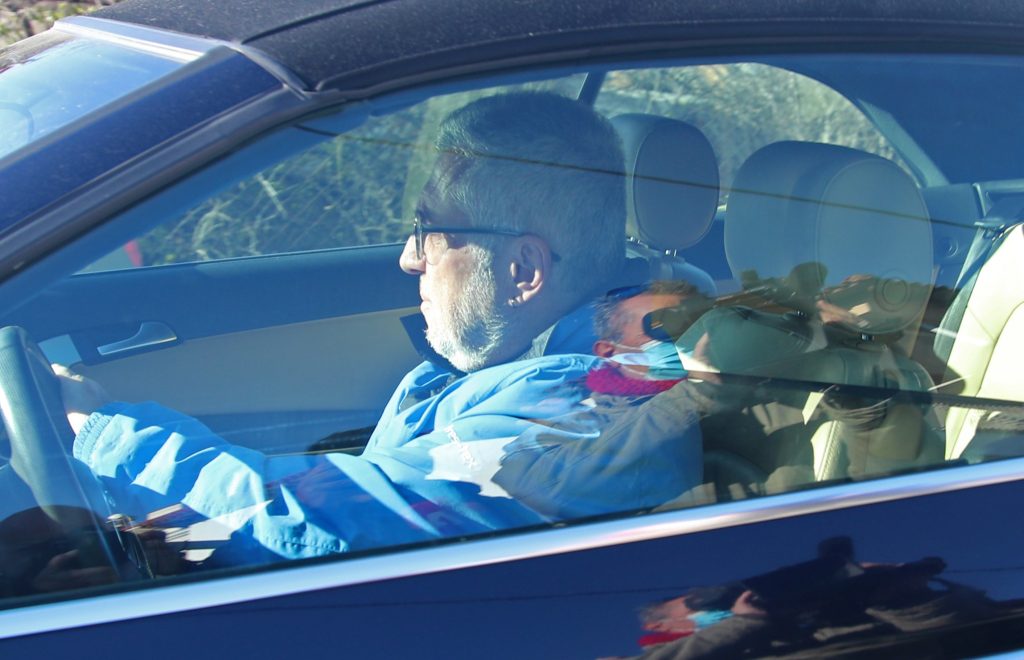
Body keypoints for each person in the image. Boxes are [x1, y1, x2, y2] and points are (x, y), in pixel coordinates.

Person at [59, 92, 702, 565]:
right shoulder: (523, 370)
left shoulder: (584, 408)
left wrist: (105, 433)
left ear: (523, 269)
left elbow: (328, 526)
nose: (408, 258)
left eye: (429, 230)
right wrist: (163, 538)